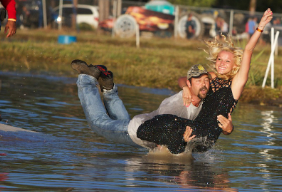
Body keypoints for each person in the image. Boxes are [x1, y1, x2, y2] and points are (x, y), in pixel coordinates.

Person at [139, 8, 274, 153]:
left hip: (206, 136)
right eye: (219, 59)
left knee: (171, 126)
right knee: (149, 126)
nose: (221, 63)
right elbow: (184, 79)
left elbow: (248, 50)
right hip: (193, 127)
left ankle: (176, 147)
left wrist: (260, 27)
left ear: (235, 65)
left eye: (227, 61)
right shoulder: (211, 77)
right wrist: (185, 87)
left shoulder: (236, 84)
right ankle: (170, 148)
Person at [71, 61, 231, 154]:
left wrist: (227, 128)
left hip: (138, 125)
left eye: (206, 81)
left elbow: (189, 78)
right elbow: (158, 126)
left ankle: (108, 86)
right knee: (98, 123)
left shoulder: (202, 95)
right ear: (190, 84)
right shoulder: (177, 105)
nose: (204, 85)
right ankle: (87, 78)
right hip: (137, 132)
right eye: (199, 81)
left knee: (123, 122)